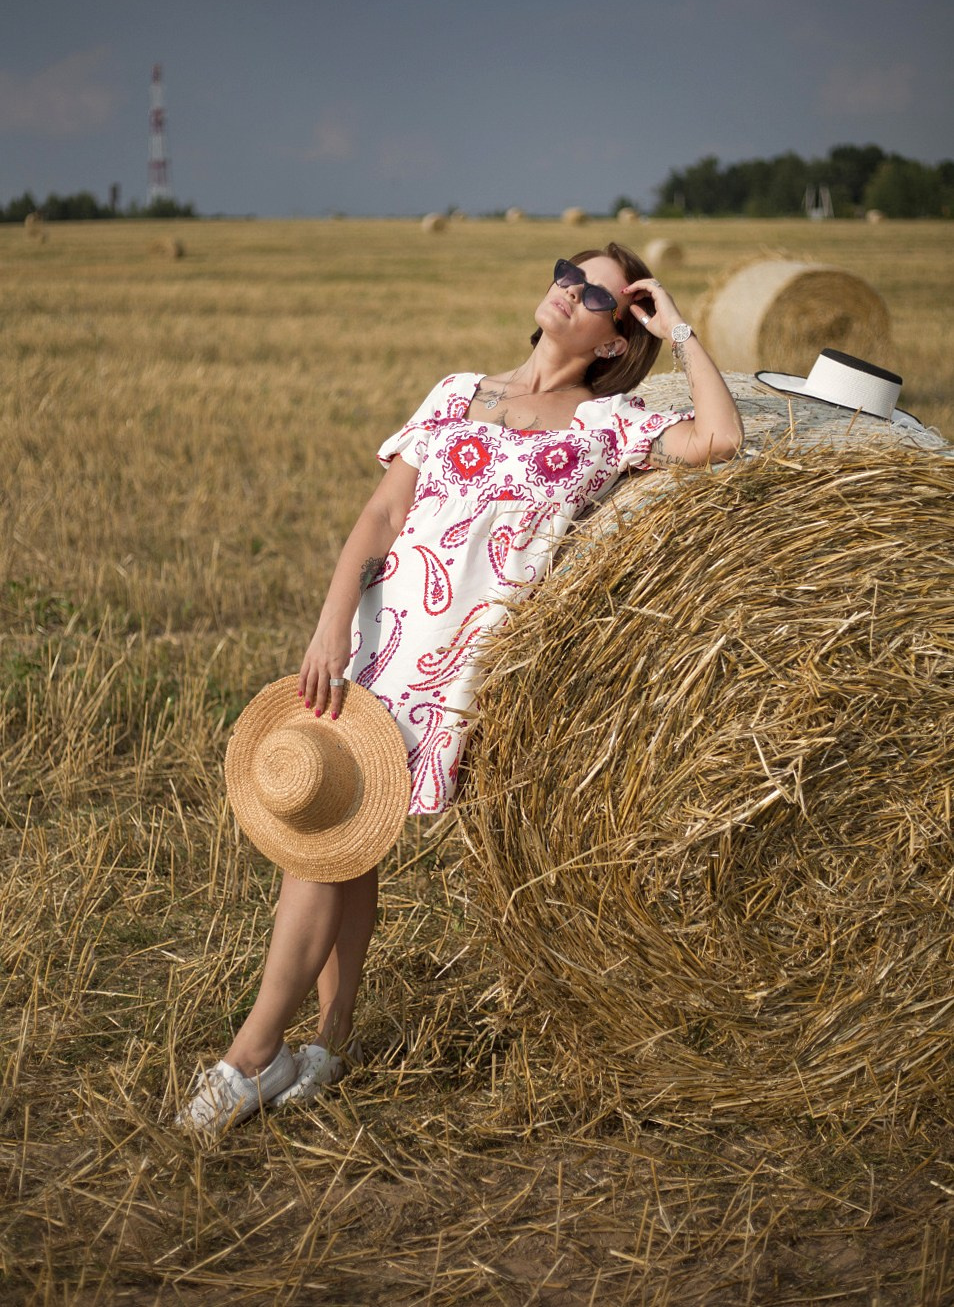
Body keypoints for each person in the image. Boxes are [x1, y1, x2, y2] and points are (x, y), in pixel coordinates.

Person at [178, 243, 744, 1132]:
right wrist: (330, 621)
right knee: (339, 837)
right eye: (567, 273)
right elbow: (382, 514)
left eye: (596, 293)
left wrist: (677, 327)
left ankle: (252, 1055)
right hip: (377, 641)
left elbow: (721, 438)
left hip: (457, 668)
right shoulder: (456, 391)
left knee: (330, 840)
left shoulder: (606, 423)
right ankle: (323, 1042)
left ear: (613, 337)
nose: (569, 291)